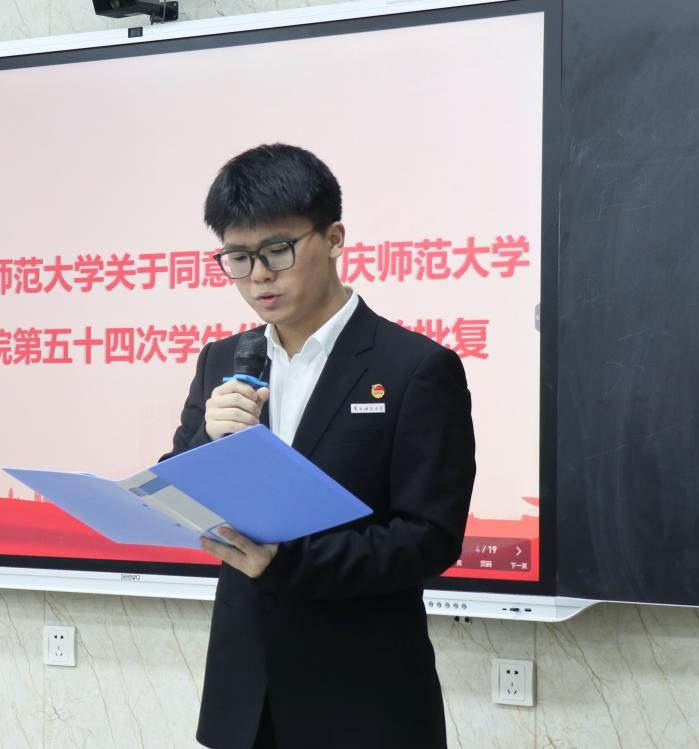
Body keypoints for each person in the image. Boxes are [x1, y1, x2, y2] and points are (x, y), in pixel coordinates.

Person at [162, 144, 476, 748]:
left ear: (333, 238)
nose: (259, 275)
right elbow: (180, 489)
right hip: (244, 698)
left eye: (277, 250)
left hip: (362, 697)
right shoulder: (223, 360)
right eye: (238, 257)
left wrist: (289, 563)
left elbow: (429, 537)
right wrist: (208, 437)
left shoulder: (414, 369)